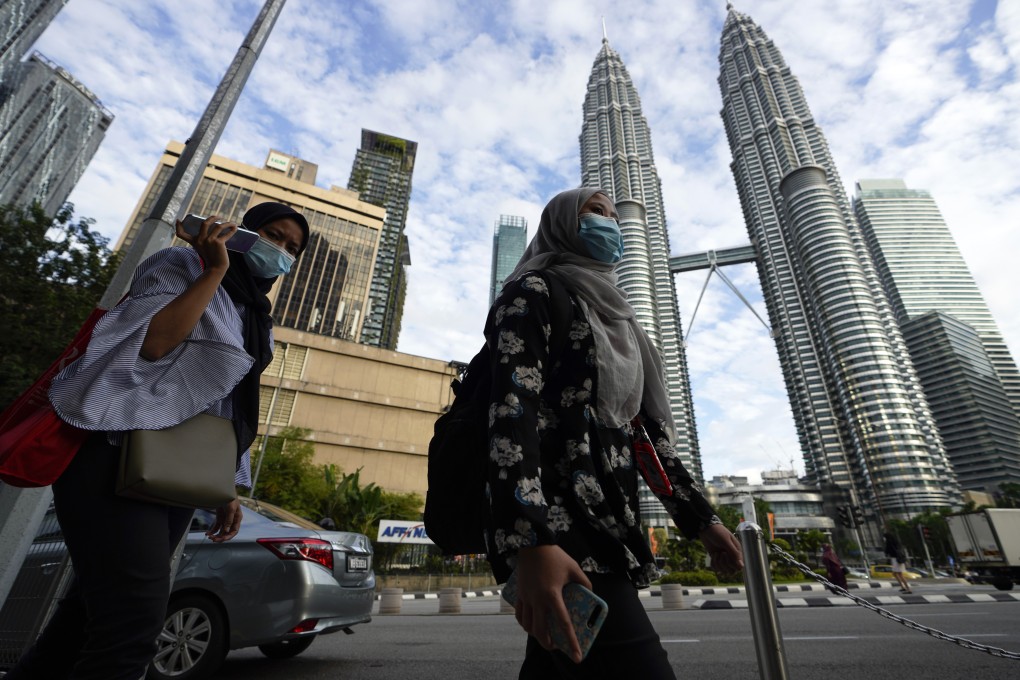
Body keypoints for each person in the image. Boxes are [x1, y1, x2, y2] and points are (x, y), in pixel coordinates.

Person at [6, 202, 308, 680]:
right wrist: (214, 269)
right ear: (243, 231)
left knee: (85, 621)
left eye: (293, 249)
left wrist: (225, 485)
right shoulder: (180, 264)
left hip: (178, 472)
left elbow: (227, 402)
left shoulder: (257, 316)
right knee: (131, 633)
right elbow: (154, 343)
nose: (282, 252)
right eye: (273, 236)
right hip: (116, 452)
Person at [484, 187, 744, 679]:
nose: (609, 222)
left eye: (611, 214)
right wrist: (532, 539)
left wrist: (700, 519)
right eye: (594, 212)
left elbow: (642, 435)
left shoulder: (620, 320)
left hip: (610, 515)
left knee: (563, 662)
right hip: (561, 522)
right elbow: (510, 414)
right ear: (562, 223)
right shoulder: (534, 291)